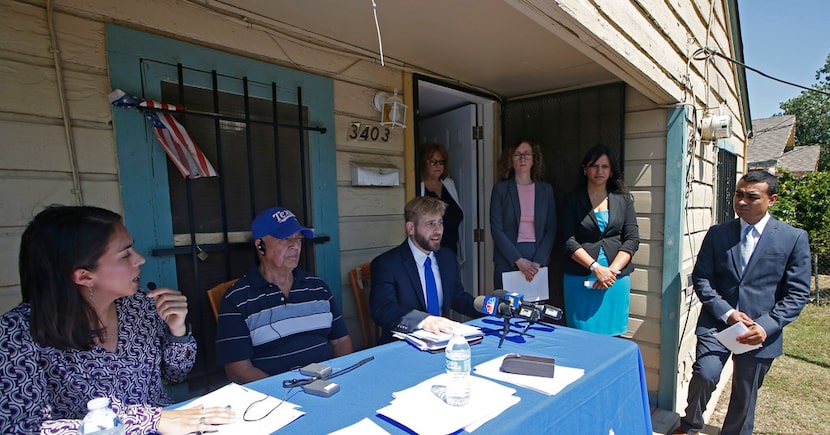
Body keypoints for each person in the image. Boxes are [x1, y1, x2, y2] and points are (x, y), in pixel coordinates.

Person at [0, 205, 236, 434]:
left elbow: (175, 374)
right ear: (84, 276)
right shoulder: (17, 334)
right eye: (125, 255)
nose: (139, 259)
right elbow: (21, 428)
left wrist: (177, 330)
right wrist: (151, 421)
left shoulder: (140, 306)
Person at [674, 170, 811, 435]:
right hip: (719, 324)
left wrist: (766, 325)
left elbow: (797, 293)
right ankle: (689, 426)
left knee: (744, 395)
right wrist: (727, 313)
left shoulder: (792, 238)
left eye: (752, 196)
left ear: (772, 200)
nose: (742, 201)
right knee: (705, 374)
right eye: (738, 194)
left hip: (760, 331)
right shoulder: (717, 234)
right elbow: (703, 279)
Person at [215, 207, 353, 383]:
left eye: (299, 239)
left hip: (329, 384)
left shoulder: (318, 288)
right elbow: (238, 370)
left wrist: (340, 376)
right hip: (279, 399)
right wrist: (286, 392)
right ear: (260, 246)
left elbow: (341, 341)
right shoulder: (237, 299)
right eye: (285, 238)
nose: (295, 246)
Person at [370, 196, 481, 343]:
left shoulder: (446, 257)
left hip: (443, 342)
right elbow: (383, 310)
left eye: (440, 223)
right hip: (403, 347)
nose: (438, 231)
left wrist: (489, 309)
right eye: (430, 224)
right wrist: (424, 320)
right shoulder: (387, 264)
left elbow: (457, 297)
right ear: (411, 228)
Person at [561, 145, 639, 335]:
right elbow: (568, 240)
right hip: (581, 278)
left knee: (613, 340)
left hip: (614, 281)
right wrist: (596, 268)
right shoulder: (572, 201)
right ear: (585, 169)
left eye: (605, 166)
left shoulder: (623, 200)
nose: (599, 171)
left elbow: (632, 239)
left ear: (611, 171)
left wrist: (610, 273)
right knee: (581, 337)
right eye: (594, 166)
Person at [490, 138, 556, 290]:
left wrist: (538, 261)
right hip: (508, 258)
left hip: (537, 258)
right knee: (506, 309)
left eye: (527, 154)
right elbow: (496, 230)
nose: (522, 159)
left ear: (534, 159)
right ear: (510, 160)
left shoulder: (546, 190)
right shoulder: (501, 190)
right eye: (517, 154)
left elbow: (551, 228)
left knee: (534, 311)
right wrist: (518, 260)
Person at [419, 142, 464, 257]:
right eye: (433, 162)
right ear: (424, 163)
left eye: (441, 162)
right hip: (427, 251)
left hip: (450, 249)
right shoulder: (418, 187)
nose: (437, 165)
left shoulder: (449, 184)